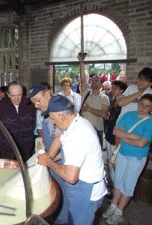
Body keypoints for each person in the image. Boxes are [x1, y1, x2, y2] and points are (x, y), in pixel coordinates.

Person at [38, 95, 107, 225]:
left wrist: (48, 162)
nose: (53, 122)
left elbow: (71, 177)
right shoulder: (78, 122)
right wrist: (51, 157)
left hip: (86, 193)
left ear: (62, 117)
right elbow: (73, 154)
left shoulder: (77, 136)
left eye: (53, 119)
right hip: (86, 187)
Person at [103, 94, 152, 224]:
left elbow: (142, 144)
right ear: (138, 102)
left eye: (147, 106)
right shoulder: (129, 114)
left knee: (128, 185)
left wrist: (125, 137)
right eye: (141, 104)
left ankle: (119, 211)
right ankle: (113, 206)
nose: (143, 107)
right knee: (118, 181)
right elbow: (115, 131)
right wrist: (134, 137)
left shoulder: (150, 122)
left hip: (137, 158)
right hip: (123, 153)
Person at [29, 84, 68, 225]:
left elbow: (62, 139)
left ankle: (62, 220)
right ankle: (56, 216)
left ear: (46, 94)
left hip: (63, 162)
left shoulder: (60, 108)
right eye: (33, 102)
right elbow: (50, 136)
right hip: (52, 159)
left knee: (62, 193)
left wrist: (48, 158)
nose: (36, 105)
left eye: (37, 100)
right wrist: (42, 146)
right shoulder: (44, 110)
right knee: (52, 190)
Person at [0, 81, 36, 162]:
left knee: (24, 171)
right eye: (13, 96)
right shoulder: (0, 105)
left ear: (23, 93)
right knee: (9, 171)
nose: (16, 98)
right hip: (6, 147)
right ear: (8, 94)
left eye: (19, 95)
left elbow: (33, 123)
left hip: (26, 147)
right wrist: (2, 142)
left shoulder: (29, 104)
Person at [79, 53, 110, 147]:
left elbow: (104, 114)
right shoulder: (86, 93)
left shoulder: (104, 97)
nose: (94, 82)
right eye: (93, 80)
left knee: (96, 153)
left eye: (97, 80)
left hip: (97, 129)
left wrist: (89, 109)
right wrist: (81, 62)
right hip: (83, 129)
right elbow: (83, 80)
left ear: (101, 84)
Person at [104, 80, 128, 181]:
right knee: (110, 158)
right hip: (110, 132)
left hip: (116, 135)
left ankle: (116, 182)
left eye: (115, 88)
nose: (112, 90)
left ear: (122, 90)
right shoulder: (114, 100)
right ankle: (112, 180)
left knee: (114, 160)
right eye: (112, 88)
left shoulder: (124, 102)